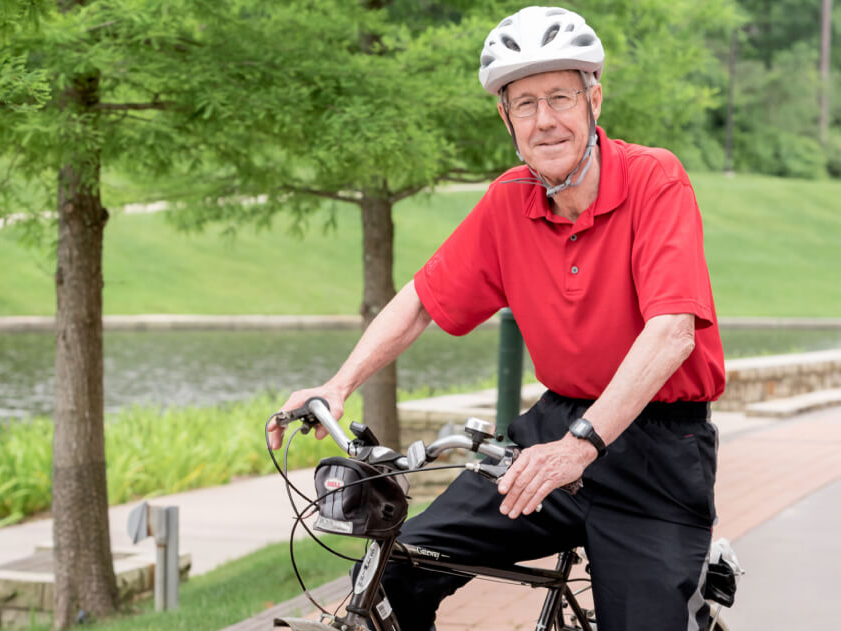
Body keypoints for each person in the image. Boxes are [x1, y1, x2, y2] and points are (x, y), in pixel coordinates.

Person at [268, 6, 725, 630]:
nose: (545, 120)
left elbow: (672, 331)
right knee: (397, 567)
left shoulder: (655, 179)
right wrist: (338, 384)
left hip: (657, 448)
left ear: (595, 97)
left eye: (560, 96)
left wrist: (582, 446)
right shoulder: (510, 199)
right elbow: (421, 300)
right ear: (505, 116)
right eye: (525, 103)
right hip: (553, 427)